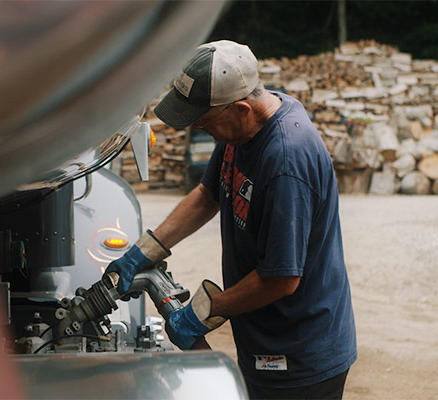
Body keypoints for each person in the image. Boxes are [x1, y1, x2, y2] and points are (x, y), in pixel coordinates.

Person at [104, 40, 356, 399]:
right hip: (265, 337)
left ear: (241, 108)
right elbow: (209, 194)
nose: (201, 129)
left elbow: (281, 279)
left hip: (300, 355)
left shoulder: (286, 160)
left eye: (204, 122)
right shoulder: (243, 128)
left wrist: (204, 311)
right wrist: (147, 250)